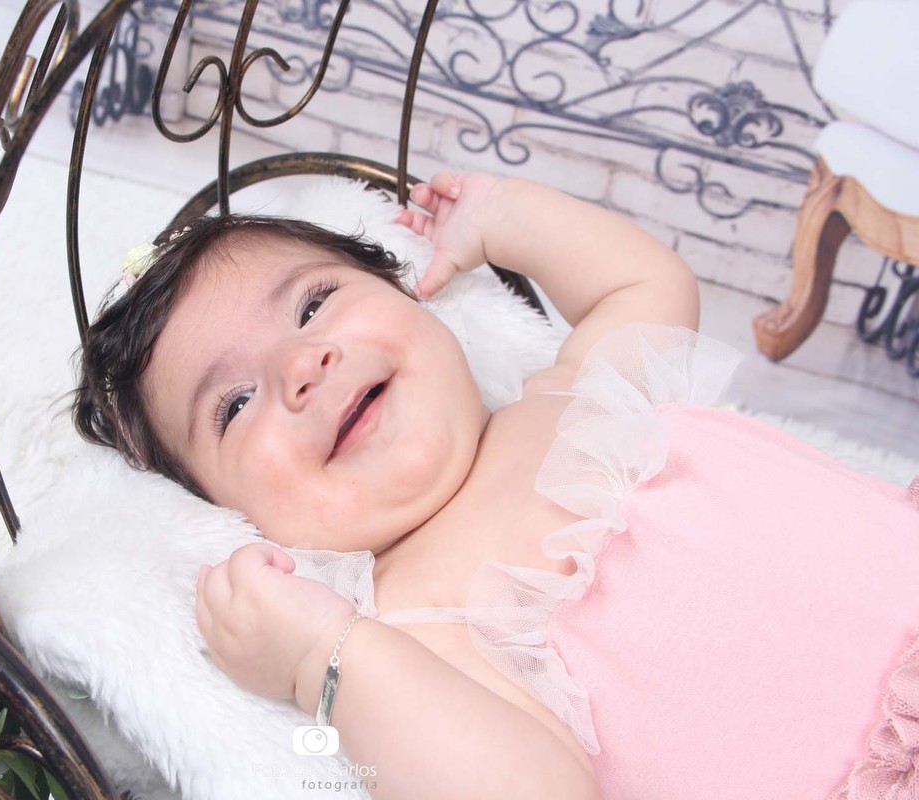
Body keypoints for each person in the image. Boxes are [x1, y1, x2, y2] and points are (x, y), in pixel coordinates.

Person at [74, 172, 919, 800]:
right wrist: (323, 659)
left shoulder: (570, 396)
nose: (303, 364)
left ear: (413, 298)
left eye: (312, 304)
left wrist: (505, 217)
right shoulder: (413, 628)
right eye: (234, 404)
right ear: (227, 514)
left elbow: (646, 286)